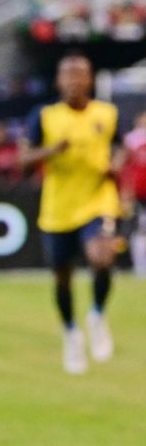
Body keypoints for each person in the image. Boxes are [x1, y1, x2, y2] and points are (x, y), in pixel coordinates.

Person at [20, 53, 121, 374]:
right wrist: (51, 150)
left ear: (90, 79)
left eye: (81, 75)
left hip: (97, 200)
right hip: (58, 207)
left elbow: (118, 146)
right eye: (69, 76)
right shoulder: (45, 116)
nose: (75, 81)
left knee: (102, 257)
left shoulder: (107, 113)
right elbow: (21, 158)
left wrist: (116, 163)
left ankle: (96, 314)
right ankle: (71, 333)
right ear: (59, 81)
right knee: (63, 277)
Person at [118, 110, 146, 276]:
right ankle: (139, 266)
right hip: (137, 192)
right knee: (136, 230)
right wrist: (125, 189)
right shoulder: (131, 140)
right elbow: (122, 165)